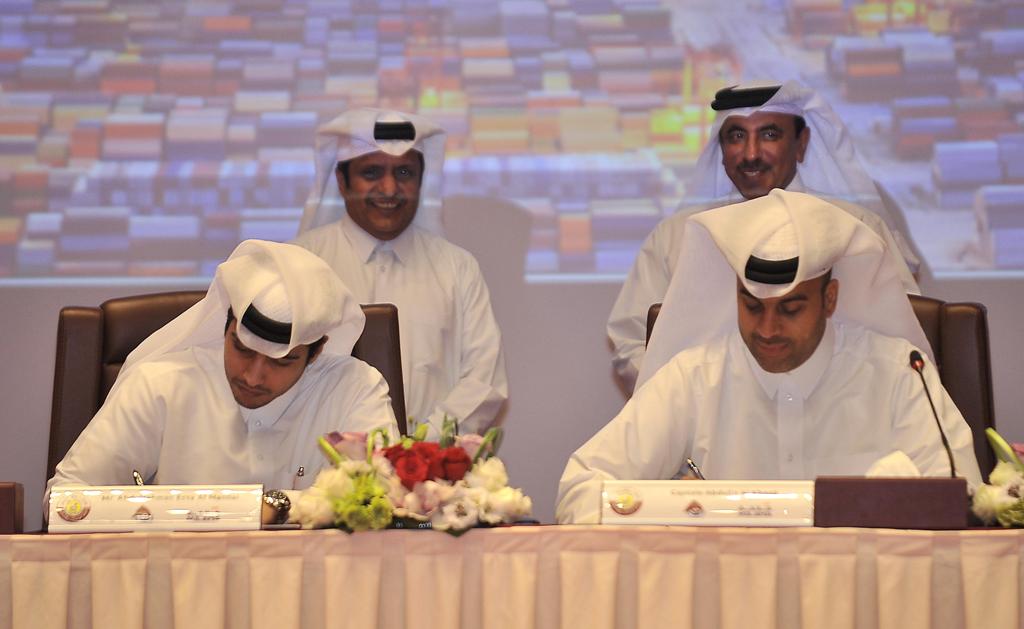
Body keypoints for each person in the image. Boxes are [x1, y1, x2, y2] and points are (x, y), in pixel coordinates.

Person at [557, 190, 981, 524]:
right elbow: (580, 489)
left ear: (830, 299)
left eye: (791, 309)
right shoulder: (694, 377)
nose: (767, 329)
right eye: (752, 306)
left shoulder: (897, 372)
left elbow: (962, 497)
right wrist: (667, 510)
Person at [607, 81, 922, 392]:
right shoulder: (678, 235)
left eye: (769, 134)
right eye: (737, 136)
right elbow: (631, 344)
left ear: (801, 144)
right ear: (721, 149)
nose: (751, 154)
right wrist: (693, 404)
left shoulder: (857, 229)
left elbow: (902, 339)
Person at [47, 240, 399, 501]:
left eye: (281, 361)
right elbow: (65, 499)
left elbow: (383, 498)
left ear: (316, 352)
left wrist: (275, 508)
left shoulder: (355, 389)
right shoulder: (160, 384)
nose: (253, 376)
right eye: (242, 350)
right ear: (226, 327)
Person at [292, 108, 508, 436]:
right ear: (342, 180)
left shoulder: (457, 268)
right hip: (324, 471)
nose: (390, 188)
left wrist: (420, 452)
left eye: (405, 172)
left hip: (431, 476)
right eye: (373, 172)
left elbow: (484, 382)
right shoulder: (301, 263)